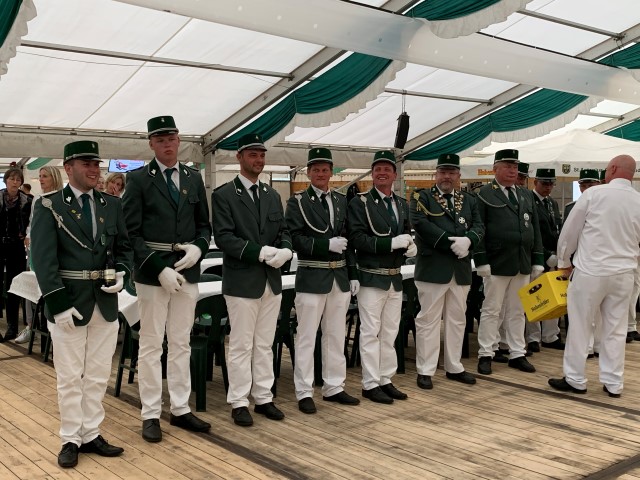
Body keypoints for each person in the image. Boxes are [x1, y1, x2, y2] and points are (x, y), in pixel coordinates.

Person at [30, 140, 132, 468]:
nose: (94, 169)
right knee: (70, 376)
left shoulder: (111, 204)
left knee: (99, 374)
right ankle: (70, 437)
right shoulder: (49, 206)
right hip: (69, 301)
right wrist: (57, 303)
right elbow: (42, 260)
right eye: (86, 163)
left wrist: (123, 273)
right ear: (68, 167)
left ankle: (91, 433)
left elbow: (124, 247)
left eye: (96, 164)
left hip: (105, 299)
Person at [123, 116, 212, 442]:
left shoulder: (192, 177)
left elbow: (204, 225)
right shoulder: (138, 180)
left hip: (187, 270)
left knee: (181, 342)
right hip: (152, 274)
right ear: (151, 144)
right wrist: (158, 268)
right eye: (160, 140)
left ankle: (180, 408)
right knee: (150, 344)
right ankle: (150, 413)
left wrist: (199, 248)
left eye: (171, 138)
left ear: (179, 140)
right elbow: (130, 232)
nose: (167, 144)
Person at [211, 133, 293, 427]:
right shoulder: (224, 195)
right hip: (242, 281)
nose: (258, 160)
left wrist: (286, 249)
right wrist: (260, 252)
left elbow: (283, 230)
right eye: (252, 155)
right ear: (239, 157)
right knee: (242, 345)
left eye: (261, 155)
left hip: (271, 280)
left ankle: (263, 397)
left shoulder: (272, 195)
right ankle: (239, 401)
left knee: (265, 344)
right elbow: (224, 238)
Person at [549, 154, 640, 398]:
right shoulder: (638, 200)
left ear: (612, 169)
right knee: (616, 329)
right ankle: (613, 382)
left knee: (580, 325)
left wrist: (563, 262)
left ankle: (576, 379)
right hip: (624, 273)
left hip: (591, 271)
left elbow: (570, 232)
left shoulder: (593, 194)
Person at [285, 148, 360, 414]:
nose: (320, 174)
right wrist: (325, 245)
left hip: (339, 277)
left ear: (331, 172)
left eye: (325, 169)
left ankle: (334, 386)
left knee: (336, 336)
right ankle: (304, 391)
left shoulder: (340, 200)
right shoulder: (297, 202)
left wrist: (353, 273)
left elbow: (348, 240)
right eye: (315, 169)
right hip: (312, 275)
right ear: (308, 173)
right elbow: (295, 239)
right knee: (306, 337)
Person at [410, 153, 484, 389]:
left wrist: (469, 241)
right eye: (443, 172)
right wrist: (451, 244)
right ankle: (425, 369)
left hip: (460, 269)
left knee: (457, 319)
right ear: (436, 174)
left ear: (458, 175)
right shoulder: (422, 197)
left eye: (451, 173)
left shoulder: (469, 200)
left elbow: (479, 225)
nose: (447, 177)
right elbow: (421, 224)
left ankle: (454, 366)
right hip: (433, 267)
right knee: (428, 320)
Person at [347, 150, 416, 404]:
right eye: (377, 169)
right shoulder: (360, 203)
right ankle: (370, 383)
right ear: (372, 174)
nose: (382, 173)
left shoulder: (401, 203)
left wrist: (410, 245)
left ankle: (386, 378)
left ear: (395, 175)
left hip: (394, 277)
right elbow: (356, 238)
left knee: (390, 333)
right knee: (370, 333)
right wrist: (390, 244)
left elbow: (405, 231)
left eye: (387, 169)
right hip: (371, 277)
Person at [473, 149, 543, 375]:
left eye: (515, 167)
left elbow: (535, 229)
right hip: (497, 262)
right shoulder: (484, 194)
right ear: (495, 169)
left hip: (521, 262)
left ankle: (517, 353)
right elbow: (478, 228)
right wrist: (481, 260)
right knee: (491, 310)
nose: (513, 171)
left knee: (518, 310)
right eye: (507, 166)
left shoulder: (525, 195)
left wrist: (537, 259)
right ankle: (486, 353)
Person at [18, 166, 64, 344]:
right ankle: (30, 326)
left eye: (45, 176)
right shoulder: (37, 198)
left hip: (57, 251)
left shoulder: (63, 198)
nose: (41, 179)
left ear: (54, 177)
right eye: (40, 176)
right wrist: (29, 237)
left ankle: (52, 329)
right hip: (37, 249)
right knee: (30, 288)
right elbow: (32, 223)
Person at [526, 168, 564, 352]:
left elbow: (556, 230)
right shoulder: (529, 201)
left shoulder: (552, 203)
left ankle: (551, 335)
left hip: (554, 257)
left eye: (551, 184)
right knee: (536, 298)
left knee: (554, 296)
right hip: (538, 257)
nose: (548, 187)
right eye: (544, 183)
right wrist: (546, 254)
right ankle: (533, 337)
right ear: (535, 182)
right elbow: (532, 233)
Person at [0, 167, 32, 342]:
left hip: (17, 247)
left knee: (14, 285)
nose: (15, 182)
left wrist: (26, 234)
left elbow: (31, 223)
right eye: (12, 178)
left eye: (18, 179)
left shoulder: (27, 200)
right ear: (6, 180)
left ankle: (12, 327)